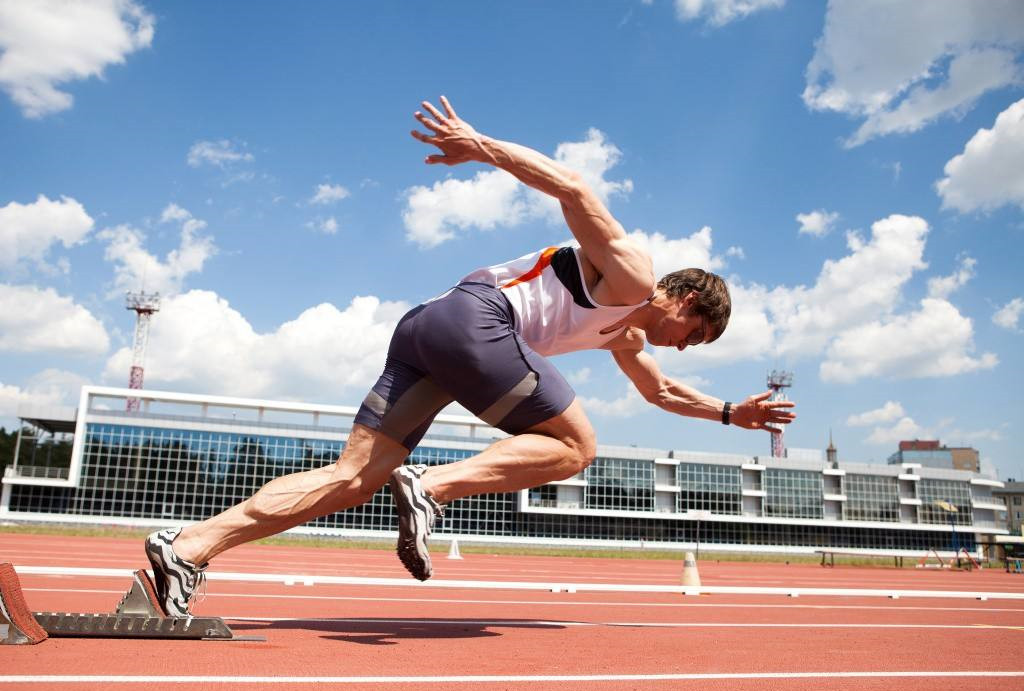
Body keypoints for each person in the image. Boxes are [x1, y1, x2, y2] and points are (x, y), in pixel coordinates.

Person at [145, 96, 797, 616]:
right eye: (696, 334)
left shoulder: (623, 333)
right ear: (685, 300)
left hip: (429, 329)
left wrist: (729, 412)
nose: (686, 346)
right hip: (478, 319)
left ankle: (190, 546)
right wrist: (478, 144)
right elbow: (573, 187)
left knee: (353, 476)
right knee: (577, 445)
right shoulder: (632, 275)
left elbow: (659, 393)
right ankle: (430, 487)